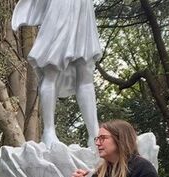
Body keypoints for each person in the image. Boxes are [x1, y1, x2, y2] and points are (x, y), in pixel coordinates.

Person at [11, 0, 104, 146]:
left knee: (85, 70)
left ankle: (94, 134)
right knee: (51, 67)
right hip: (60, 6)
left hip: (83, 7)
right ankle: (48, 131)